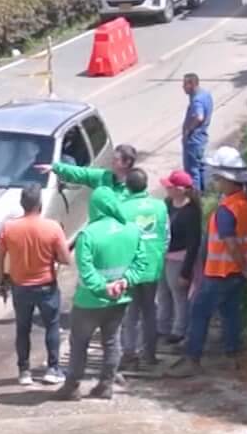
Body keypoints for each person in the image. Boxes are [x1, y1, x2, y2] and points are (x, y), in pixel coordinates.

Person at [170, 147, 247, 377]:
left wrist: (244, 268)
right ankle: (233, 354)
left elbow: (231, 244)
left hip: (221, 272)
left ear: (228, 180)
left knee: (199, 312)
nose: (215, 181)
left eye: (218, 177)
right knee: (231, 311)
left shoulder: (227, 210)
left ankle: (192, 359)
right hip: (239, 272)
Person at [59, 190, 138, 401]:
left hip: (89, 301)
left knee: (79, 343)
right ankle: (106, 385)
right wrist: (125, 281)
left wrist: (104, 288)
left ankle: (72, 386)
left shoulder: (88, 234)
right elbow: (140, 263)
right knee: (112, 341)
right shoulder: (131, 230)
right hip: (120, 299)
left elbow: (86, 272)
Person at [0, 184, 72, 386]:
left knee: (22, 329)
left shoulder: (8, 228)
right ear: (40, 204)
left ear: (22, 204)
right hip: (46, 286)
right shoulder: (52, 227)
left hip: (20, 287)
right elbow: (65, 259)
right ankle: (53, 369)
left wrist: (0, 281)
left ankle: (24, 371)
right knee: (52, 326)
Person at [116, 168, 169, 373]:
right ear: (146, 184)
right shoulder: (160, 206)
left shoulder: (122, 208)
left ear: (127, 186)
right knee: (149, 311)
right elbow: (166, 237)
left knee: (130, 313)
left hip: (129, 269)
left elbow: (118, 240)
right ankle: (150, 353)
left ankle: (130, 354)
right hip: (152, 267)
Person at [154, 169, 202, 347]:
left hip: (179, 259)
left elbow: (194, 243)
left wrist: (186, 272)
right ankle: (162, 326)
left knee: (179, 296)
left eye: (171, 187)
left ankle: (179, 329)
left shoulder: (191, 212)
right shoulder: (167, 204)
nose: (167, 190)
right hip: (163, 256)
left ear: (180, 189)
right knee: (163, 293)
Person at [39, 142, 137, 215]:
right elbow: (82, 173)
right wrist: (55, 167)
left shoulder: (135, 187)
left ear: (127, 163)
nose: (112, 161)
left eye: (116, 159)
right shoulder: (103, 176)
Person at [181, 73, 213, 190]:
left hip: (194, 139)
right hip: (202, 138)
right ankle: (204, 193)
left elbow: (199, 116)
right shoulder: (206, 95)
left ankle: (196, 198)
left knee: (192, 170)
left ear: (192, 84)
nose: (183, 87)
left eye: (185, 84)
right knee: (200, 167)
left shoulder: (197, 101)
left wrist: (189, 130)